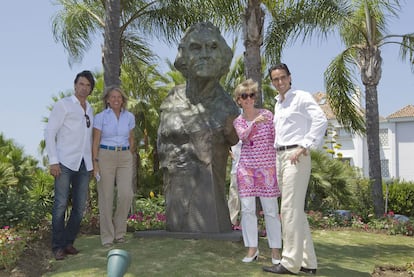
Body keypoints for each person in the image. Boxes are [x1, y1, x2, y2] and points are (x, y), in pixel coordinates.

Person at [157, 22, 240, 233]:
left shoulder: (227, 108)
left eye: (212, 47)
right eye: (196, 48)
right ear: (183, 58)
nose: (205, 55)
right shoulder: (170, 100)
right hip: (175, 202)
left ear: (223, 57)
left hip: (211, 210)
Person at [263, 63, 327, 275]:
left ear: (290, 77)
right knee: (295, 211)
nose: (279, 82)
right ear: (272, 82)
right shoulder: (278, 104)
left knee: (288, 209)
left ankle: (290, 263)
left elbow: (320, 119)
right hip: (280, 156)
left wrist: (304, 145)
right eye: (275, 79)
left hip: (295, 157)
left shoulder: (301, 97)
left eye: (282, 77)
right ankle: (308, 262)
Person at [44, 70, 95, 260]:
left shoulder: (90, 109)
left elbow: (88, 139)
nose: (84, 88)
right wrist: (53, 161)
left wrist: (90, 165)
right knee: (60, 205)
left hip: (83, 164)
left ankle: (68, 242)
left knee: (80, 206)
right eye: (81, 84)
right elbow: (50, 132)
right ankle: (57, 246)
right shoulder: (63, 105)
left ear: (90, 89)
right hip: (64, 162)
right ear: (75, 85)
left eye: (88, 85)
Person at [233, 79, 282, 265]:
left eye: (251, 95)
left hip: (267, 169)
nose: (248, 99)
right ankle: (252, 249)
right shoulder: (238, 121)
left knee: (271, 210)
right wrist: (254, 123)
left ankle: (276, 250)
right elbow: (243, 136)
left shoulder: (268, 115)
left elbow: (276, 138)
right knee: (247, 210)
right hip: (246, 169)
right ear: (239, 100)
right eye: (244, 96)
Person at [92, 86, 135, 247]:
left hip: (124, 156)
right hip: (105, 156)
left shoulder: (129, 117)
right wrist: (95, 163)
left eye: (119, 97)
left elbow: (131, 138)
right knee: (106, 197)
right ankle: (108, 237)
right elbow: (95, 141)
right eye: (113, 97)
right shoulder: (100, 117)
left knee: (126, 194)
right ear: (108, 100)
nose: (116, 99)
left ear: (123, 100)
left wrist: (130, 153)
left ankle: (120, 233)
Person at [228, 140, 242, 229]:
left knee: (249, 200)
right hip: (236, 169)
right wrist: (229, 153)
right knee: (234, 197)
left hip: (251, 170)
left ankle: (245, 225)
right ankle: (231, 222)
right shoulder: (233, 130)